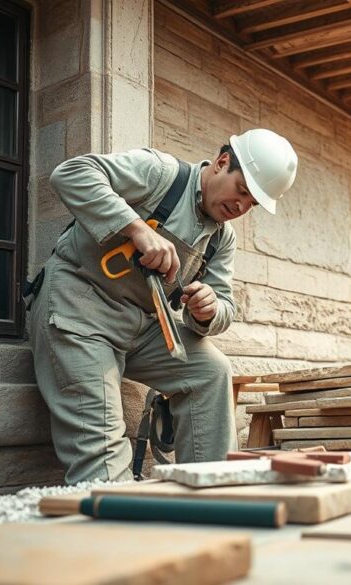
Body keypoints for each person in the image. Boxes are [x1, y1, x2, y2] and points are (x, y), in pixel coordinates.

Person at [29, 129, 298, 483]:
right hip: (79, 306)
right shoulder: (160, 173)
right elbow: (71, 173)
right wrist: (137, 229)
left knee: (211, 371)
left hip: (141, 325)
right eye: (243, 191)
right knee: (103, 449)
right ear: (221, 164)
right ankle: (115, 513)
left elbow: (225, 305)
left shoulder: (221, 237)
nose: (241, 207)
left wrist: (209, 310)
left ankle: (211, 496)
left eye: (252, 204)